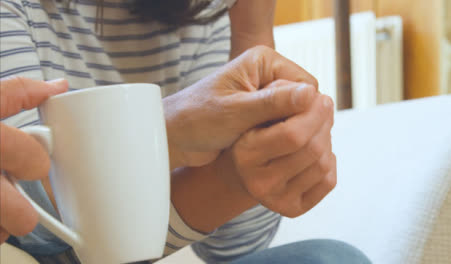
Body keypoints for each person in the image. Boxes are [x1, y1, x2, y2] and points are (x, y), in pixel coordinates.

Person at [0, 0, 371, 263]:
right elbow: (25, 223)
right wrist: (171, 132)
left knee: (329, 259)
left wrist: (252, 31)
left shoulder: (200, 15)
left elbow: (236, 247)